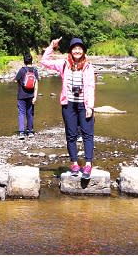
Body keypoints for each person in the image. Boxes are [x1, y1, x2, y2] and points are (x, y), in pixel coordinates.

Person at [41, 36, 96, 179]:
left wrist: (90, 106)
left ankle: (88, 165)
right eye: (74, 48)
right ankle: (75, 164)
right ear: (70, 51)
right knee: (71, 135)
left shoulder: (88, 67)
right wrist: (51, 47)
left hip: (84, 106)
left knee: (87, 135)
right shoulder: (63, 64)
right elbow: (44, 61)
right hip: (69, 105)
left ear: (83, 51)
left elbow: (91, 87)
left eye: (80, 48)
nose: (77, 51)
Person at [14, 52, 40, 140]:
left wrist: (20, 83)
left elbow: (15, 80)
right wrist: (35, 97)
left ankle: (21, 133)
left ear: (24, 61)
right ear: (31, 61)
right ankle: (30, 132)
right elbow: (36, 85)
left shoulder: (22, 70)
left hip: (21, 95)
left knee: (21, 113)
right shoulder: (35, 70)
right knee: (30, 113)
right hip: (31, 96)